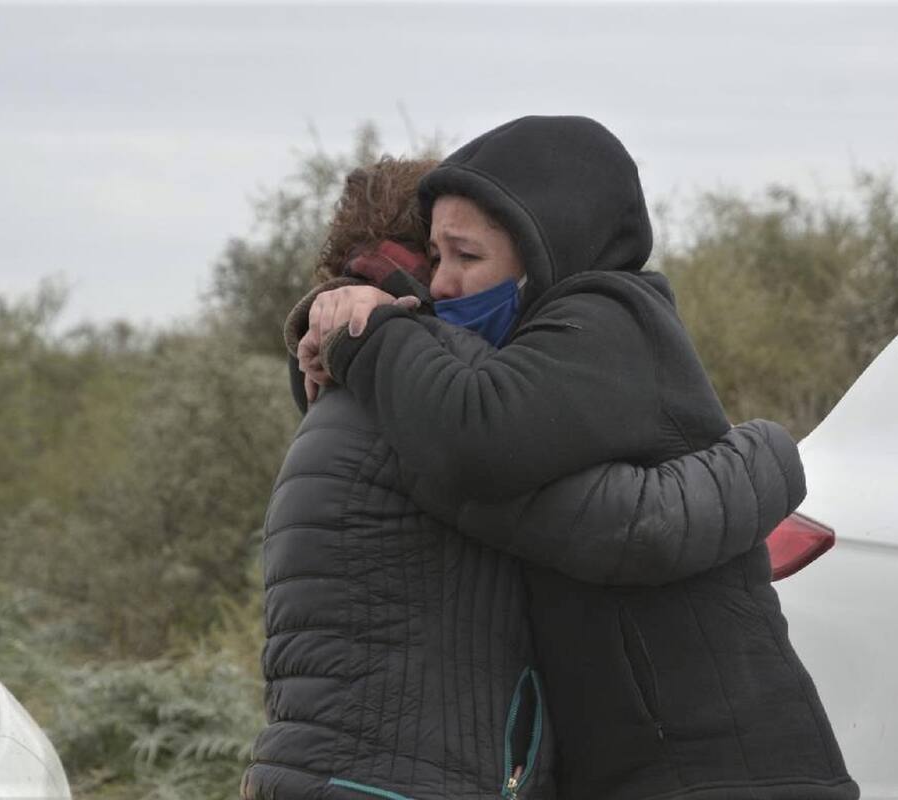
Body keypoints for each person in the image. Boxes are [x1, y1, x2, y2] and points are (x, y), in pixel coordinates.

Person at [300, 116, 860, 800]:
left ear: (544, 251)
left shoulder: (610, 321)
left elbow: (470, 438)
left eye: (465, 257)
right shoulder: (540, 348)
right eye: (434, 259)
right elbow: (419, 421)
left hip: (724, 768)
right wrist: (327, 325)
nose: (441, 285)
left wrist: (363, 336)